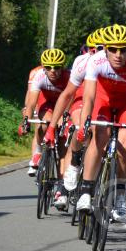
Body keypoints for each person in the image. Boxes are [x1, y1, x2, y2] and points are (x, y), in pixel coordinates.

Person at [74, 24, 126, 223]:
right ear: (105, 48)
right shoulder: (96, 61)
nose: (118, 54)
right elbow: (88, 96)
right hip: (102, 100)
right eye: (113, 49)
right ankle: (86, 190)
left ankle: (121, 194)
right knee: (99, 136)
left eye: (123, 49)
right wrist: (84, 123)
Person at [44, 29, 104, 208]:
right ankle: (71, 169)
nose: (97, 53)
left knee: (104, 137)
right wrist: (52, 127)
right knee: (78, 129)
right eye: (93, 49)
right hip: (81, 99)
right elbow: (68, 93)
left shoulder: (114, 63)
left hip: (102, 102)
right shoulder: (82, 62)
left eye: (101, 48)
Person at [21, 49, 71, 181]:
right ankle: (37, 152)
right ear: (43, 67)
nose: (52, 71)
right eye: (48, 67)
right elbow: (31, 103)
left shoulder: (69, 77)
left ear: (63, 67)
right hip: (46, 103)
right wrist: (25, 121)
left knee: (62, 143)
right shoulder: (39, 76)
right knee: (43, 124)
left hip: (64, 106)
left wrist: (64, 118)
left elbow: (71, 102)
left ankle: (61, 184)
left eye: (57, 67)